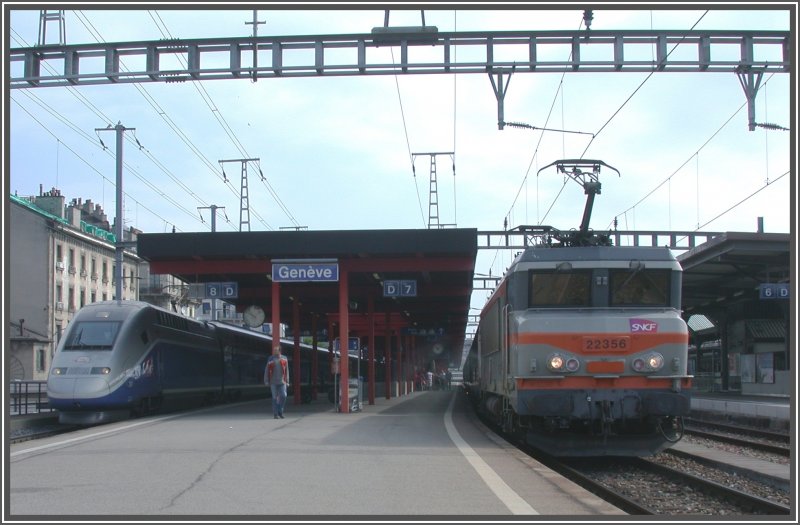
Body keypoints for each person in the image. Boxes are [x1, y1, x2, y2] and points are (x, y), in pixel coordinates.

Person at [265, 345, 290, 419]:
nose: (274, 351)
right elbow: (266, 370)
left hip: (282, 382)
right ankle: (276, 414)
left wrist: (287, 381)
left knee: (284, 395)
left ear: (279, 351)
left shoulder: (284, 359)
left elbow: (287, 371)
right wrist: (266, 380)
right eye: (274, 350)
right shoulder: (271, 359)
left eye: (276, 350)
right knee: (274, 398)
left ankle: (280, 410)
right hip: (273, 382)